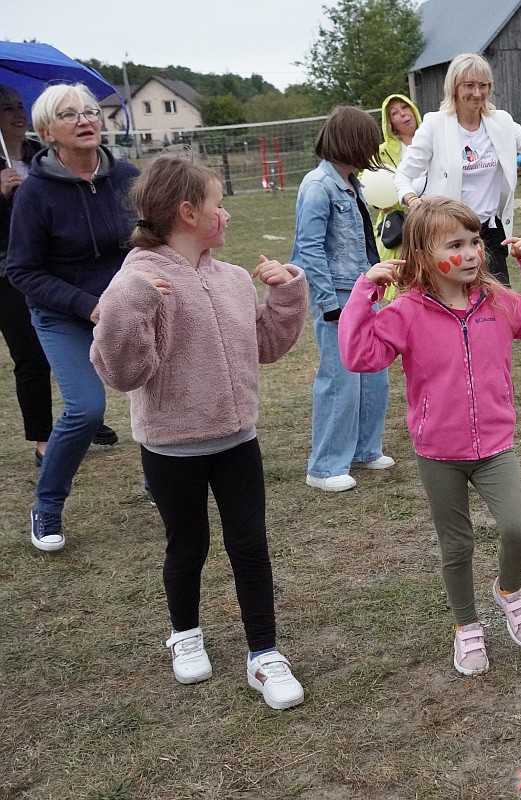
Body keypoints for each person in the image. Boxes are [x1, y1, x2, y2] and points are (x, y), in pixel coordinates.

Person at [91, 155, 308, 710]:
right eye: (218, 204)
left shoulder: (233, 279)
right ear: (188, 213)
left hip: (238, 442)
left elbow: (266, 347)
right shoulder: (140, 280)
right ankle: (184, 634)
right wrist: (127, 301)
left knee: (250, 546)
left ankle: (264, 654)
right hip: (172, 448)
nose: (227, 214)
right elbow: (121, 373)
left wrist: (285, 297)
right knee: (188, 545)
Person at [338, 197, 521, 676]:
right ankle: (467, 627)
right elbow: (360, 356)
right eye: (455, 245)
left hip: (495, 449)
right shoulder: (406, 313)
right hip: (438, 452)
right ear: (423, 255)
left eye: (475, 242)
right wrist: (366, 293)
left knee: (519, 530)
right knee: (457, 546)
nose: (469, 254)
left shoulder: (497, 302)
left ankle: (509, 590)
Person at [6, 83, 139, 551]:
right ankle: (47, 504)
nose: (84, 119)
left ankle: (164, 485)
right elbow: (21, 270)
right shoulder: (35, 194)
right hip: (62, 312)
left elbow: (155, 235)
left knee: (159, 395)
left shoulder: (127, 177)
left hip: (126, 306)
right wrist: (88, 305)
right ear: (48, 132)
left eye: (89, 111)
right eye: (69, 115)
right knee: (86, 409)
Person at [394, 52, 521, 286]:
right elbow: (403, 175)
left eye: (483, 85)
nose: (477, 93)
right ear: (454, 87)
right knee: (453, 303)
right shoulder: (435, 125)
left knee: (498, 302)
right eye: (469, 85)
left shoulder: (501, 122)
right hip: (447, 233)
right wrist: (412, 200)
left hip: (490, 232)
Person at [292, 107, 394, 493]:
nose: (373, 150)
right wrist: (327, 302)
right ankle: (325, 465)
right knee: (340, 379)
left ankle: (365, 449)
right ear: (352, 142)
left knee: (373, 372)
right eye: (367, 142)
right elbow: (309, 248)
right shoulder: (317, 186)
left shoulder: (354, 185)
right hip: (337, 295)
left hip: (364, 291)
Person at [0, 84, 52, 468]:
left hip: (50, 267)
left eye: (21, 106)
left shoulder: (42, 156)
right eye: (7, 108)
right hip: (6, 274)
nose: (19, 114)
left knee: (80, 346)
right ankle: (44, 439)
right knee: (31, 356)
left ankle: (82, 419)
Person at [373, 93, 423, 262]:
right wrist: (378, 201)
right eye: (394, 113)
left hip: (434, 220)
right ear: (390, 124)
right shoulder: (381, 152)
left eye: (405, 107)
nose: (402, 114)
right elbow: (365, 182)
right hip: (398, 228)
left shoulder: (433, 141)